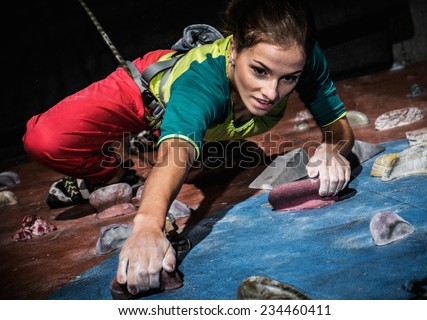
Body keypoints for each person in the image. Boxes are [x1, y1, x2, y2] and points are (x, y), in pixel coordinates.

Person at [23, 0, 354, 295]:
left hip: (204, 128)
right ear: (236, 50)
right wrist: (148, 226)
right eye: (259, 71)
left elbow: (338, 127)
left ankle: (182, 144)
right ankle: (111, 175)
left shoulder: (301, 57)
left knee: (209, 165)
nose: (271, 92)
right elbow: (175, 155)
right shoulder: (199, 84)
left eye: (288, 79)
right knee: (45, 140)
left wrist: (331, 148)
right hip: (147, 96)